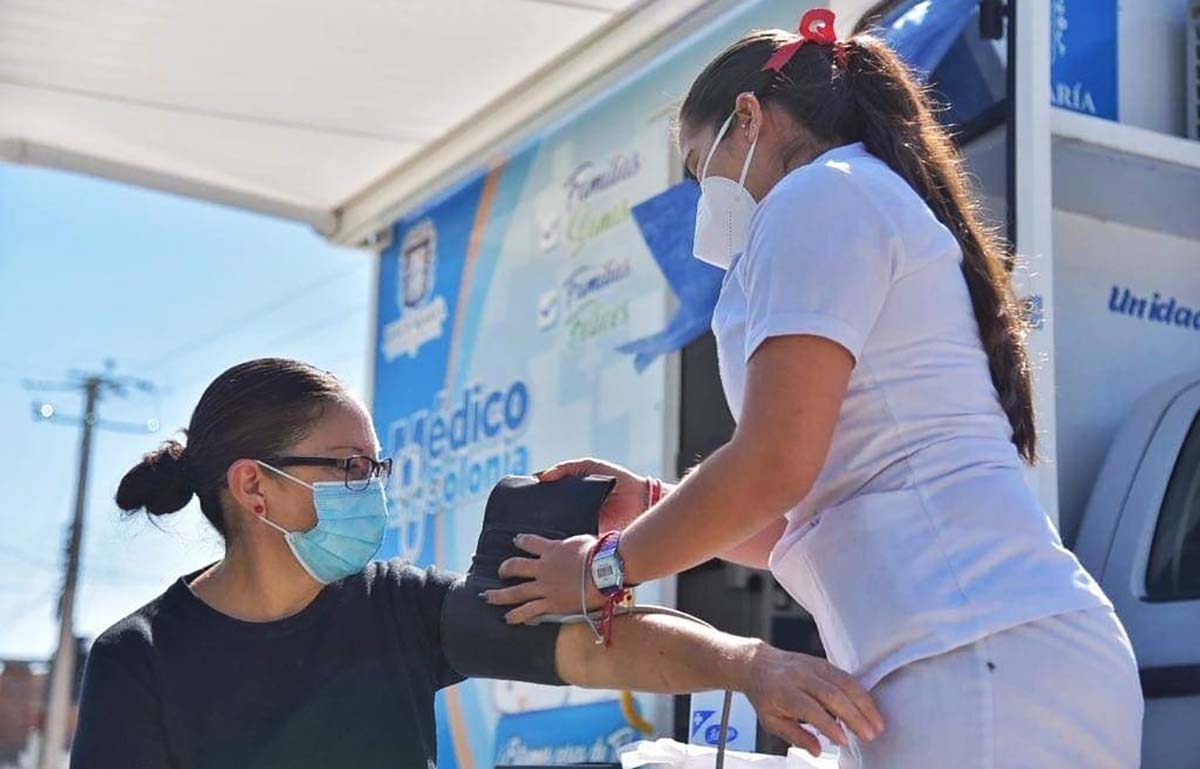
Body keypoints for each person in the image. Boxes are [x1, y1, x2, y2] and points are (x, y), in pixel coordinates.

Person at [483, 11, 1144, 768]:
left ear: (748, 118)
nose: (703, 201)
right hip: (981, 655)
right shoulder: (852, 197)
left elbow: (772, 467)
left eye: (700, 169)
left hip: (976, 656)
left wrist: (603, 568)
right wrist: (656, 506)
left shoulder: (816, 196)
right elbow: (800, 516)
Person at [70, 357, 883, 769]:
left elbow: (599, 647)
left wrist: (750, 663)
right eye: (350, 467)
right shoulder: (139, 659)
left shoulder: (395, 607)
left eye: (377, 467)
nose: (373, 488)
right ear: (254, 487)